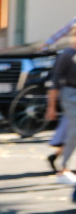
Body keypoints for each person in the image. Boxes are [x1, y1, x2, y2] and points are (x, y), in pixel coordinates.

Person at [46, 29, 76, 186]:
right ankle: (64, 168)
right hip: (70, 95)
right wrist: (51, 107)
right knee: (74, 129)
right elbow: (55, 83)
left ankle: (58, 157)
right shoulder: (66, 55)